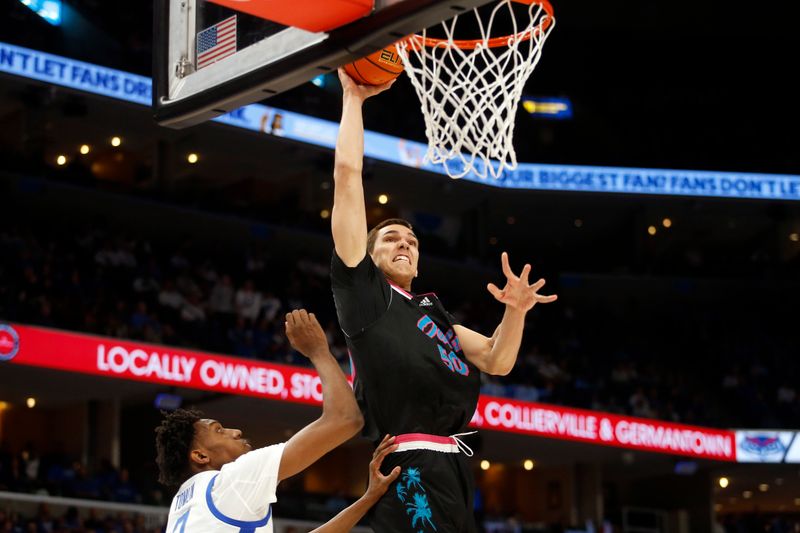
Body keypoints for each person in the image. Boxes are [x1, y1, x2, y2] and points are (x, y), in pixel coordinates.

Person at [330, 69, 558, 533]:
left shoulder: (434, 313)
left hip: (454, 464)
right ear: (367, 257)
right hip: (406, 460)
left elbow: (498, 360)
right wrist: (353, 99)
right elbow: (348, 177)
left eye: (412, 240)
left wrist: (515, 312)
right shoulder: (366, 296)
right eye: (391, 238)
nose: (405, 244)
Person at [156, 309, 401, 533]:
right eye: (219, 430)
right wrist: (318, 351)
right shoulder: (231, 481)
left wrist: (368, 498)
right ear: (200, 456)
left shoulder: (181, 506)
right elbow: (345, 419)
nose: (236, 431)